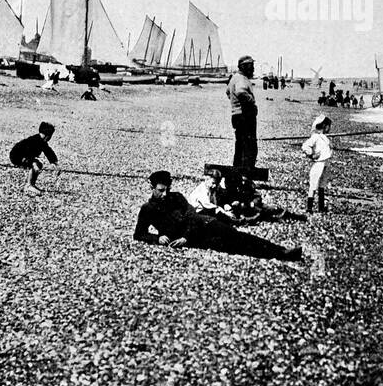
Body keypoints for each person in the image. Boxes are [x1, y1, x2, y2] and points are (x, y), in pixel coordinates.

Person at [133, 171, 301, 261]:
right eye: (161, 190)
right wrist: (158, 238)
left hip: (203, 224)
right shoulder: (147, 209)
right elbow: (139, 234)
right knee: (232, 247)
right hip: (196, 240)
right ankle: (278, 254)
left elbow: (191, 214)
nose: (164, 194)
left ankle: (281, 252)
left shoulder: (176, 197)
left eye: (167, 189)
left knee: (238, 236)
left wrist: (185, 236)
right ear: (151, 187)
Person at [227, 55, 258, 171]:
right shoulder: (241, 79)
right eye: (252, 66)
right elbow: (240, 92)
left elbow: (228, 92)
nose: (253, 69)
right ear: (245, 67)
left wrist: (234, 104)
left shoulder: (234, 78)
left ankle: (238, 169)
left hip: (236, 115)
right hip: (245, 116)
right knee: (249, 146)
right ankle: (246, 172)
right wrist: (251, 101)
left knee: (240, 144)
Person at [10, 121, 58, 196]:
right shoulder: (34, 140)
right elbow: (27, 151)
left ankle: (32, 184)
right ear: (47, 136)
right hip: (17, 156)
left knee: (38, 165)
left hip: (24, 156)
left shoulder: (42, 141)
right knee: (35, 165)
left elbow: (48, 151)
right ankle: (29, 185)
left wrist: (53, 162)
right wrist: (32, 162)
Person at [301, 115, 334, 214]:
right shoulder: (315, 136)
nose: (329, 128)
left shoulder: (325, 138)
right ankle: (309, 207)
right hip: (319, 163)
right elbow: (305, 146)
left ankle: (321, 207)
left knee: (322, 185)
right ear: (324, 126)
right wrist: (311, 155)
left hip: (326, 163)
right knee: (313, 184)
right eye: (328, 126)